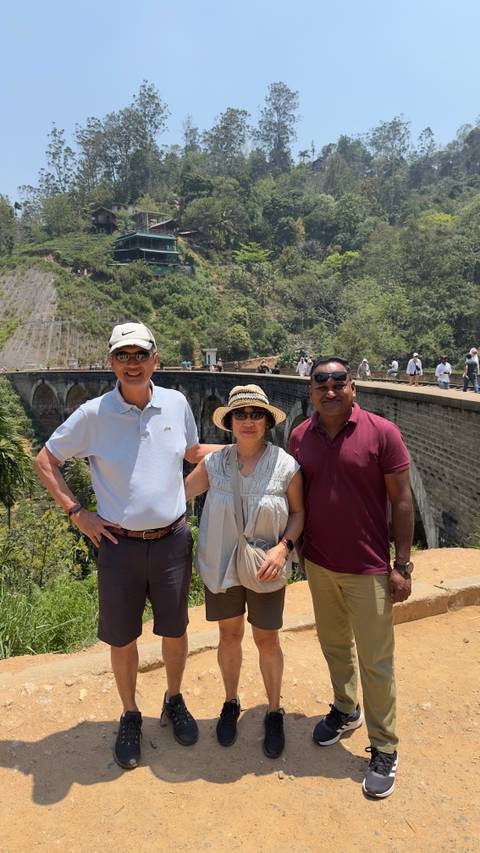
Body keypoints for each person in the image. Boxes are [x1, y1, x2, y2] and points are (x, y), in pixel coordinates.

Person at [34, 322, 222, 771]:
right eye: (124, 355)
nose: (133, 363)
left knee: (175, 630)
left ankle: (173, 699)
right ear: (111, 363)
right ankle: (130, 713)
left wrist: (244, 448)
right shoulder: (94, 414)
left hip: (173, 539)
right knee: (123, 638)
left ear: (156, 360)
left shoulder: (175, 403)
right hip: (118, 544)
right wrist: (77, 513)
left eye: (141, 355)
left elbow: (190, 451)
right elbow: (45, 460)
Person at [288, 356, 413, 799]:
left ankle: (384, 747)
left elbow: (401, 500)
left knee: (376, 660)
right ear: (311, 393)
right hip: (320, 565)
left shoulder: (382, 433)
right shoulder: (300, 436)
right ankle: (345, 709)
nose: (330, 390)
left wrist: (402, 565)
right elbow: (294, 496)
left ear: (353, 388)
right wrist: (297, 550)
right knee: (334, 644)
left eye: (339, 382)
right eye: (321, 383)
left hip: (370, 568)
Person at [185, 385, 304, 759]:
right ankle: (230, 701)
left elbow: (299, 513)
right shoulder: (215, 465)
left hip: (266, 567)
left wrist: (284, 548)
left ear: (267, 421)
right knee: (229, 636)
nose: (248, 421)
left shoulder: (286, 466)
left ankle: (273, 710)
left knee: (267, 640)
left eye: (256, 414)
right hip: (221, 564)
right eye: (241, 414)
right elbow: (175, 497)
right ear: (230, 422)